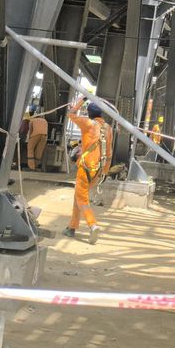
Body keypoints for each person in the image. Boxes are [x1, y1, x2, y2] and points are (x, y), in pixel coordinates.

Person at [66, 98, 105, 242]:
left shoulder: (88, 123)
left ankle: (92, 224)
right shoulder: (107, 128)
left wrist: (81, 101)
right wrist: (104, 172)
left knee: (81, 199)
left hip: (86, 167)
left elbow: (70, 114)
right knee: (79, 195)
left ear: (89, 114)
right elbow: (110, 151)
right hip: (98, 169)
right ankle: (72, 227)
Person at [26, 107, 49, 171]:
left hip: (35, 134)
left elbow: (30, 131)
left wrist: (29, 138)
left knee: (30, 148)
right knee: (39, 150)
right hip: (44, 136)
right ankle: (36, 165)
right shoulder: (45, 120)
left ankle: (31, 167)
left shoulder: (32, 120)